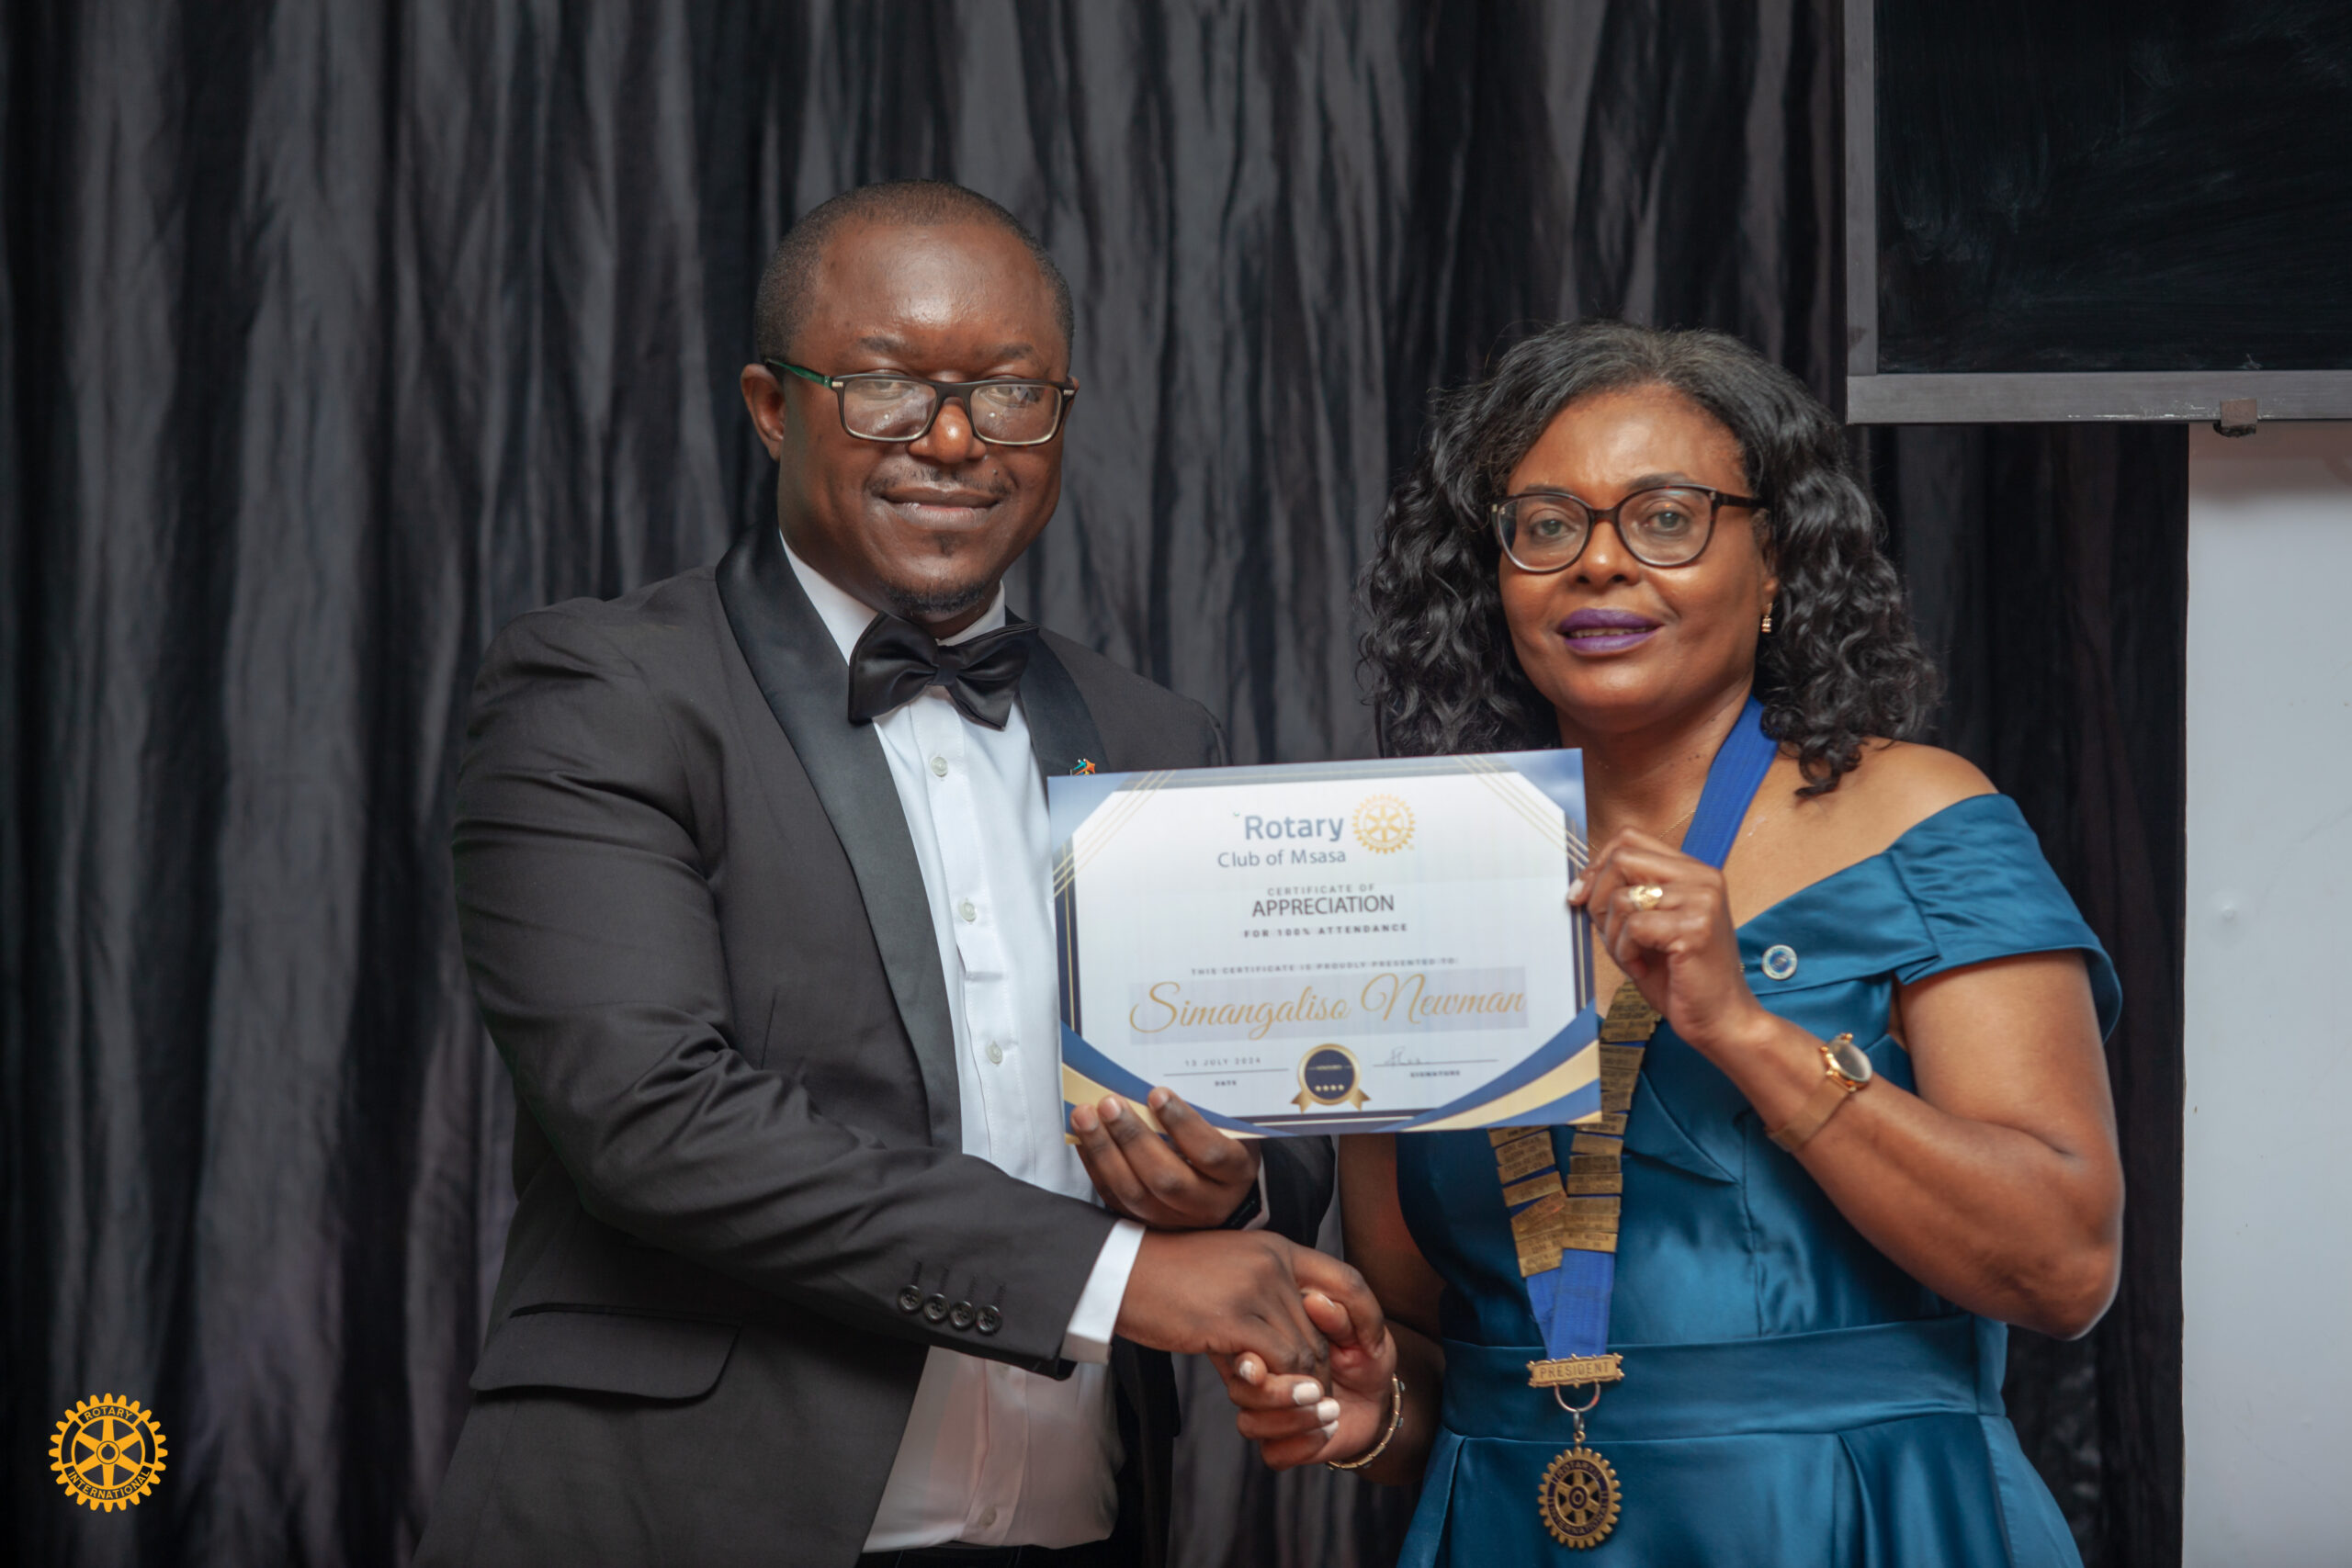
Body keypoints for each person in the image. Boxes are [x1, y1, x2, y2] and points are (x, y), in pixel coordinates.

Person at [414, 180, 1373, 1568]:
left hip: (1076, 1533)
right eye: (886, 388)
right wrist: (1119, 1276)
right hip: (674, 1528)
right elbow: (651, 1120)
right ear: (771, 407)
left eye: (1010, 393)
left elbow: (1264, 1122)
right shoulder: (603, 691)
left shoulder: (1157, 737)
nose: (953, 440)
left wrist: (1221, 1195)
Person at [1216, 321, 2123, 1565]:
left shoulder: (1920, 817)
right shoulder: (1411, 876)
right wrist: (1373, 1415)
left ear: (1776, 561)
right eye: (1546, 524)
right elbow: (1438, 1347)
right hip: (1514, 1528)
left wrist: (1744, 1030)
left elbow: (2065, 1267)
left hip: (1856, 1519)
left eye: (1665, 518)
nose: (1598, 563)